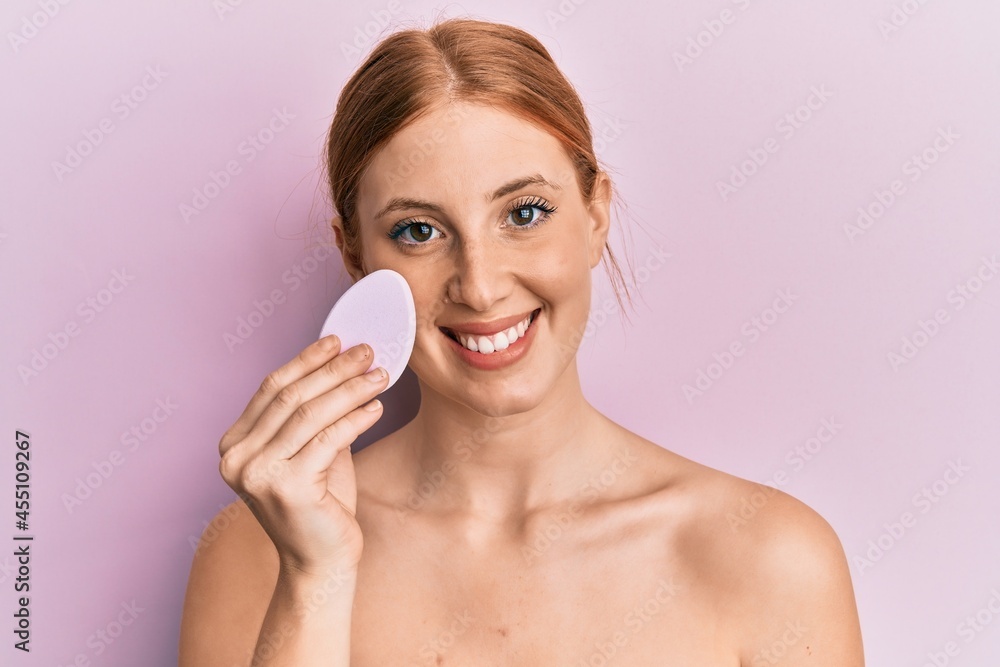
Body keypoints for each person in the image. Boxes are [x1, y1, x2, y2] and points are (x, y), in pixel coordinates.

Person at [179, 17, 865, 666]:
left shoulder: (771, 558)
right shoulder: (257, 556)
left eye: (525, 213)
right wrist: (315, 577)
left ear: (595, 216)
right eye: (419, 231)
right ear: (355, 257)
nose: (479, 287)